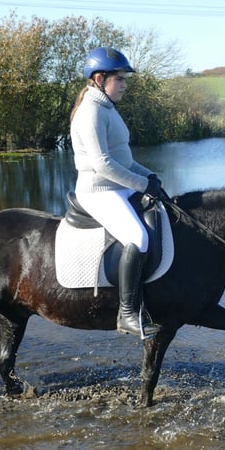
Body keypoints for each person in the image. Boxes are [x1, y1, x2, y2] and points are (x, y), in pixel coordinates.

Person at [69, 46, 164, 339]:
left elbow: (123, 159)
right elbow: (102, 164)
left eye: (124, 79)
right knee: (137, 237)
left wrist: (148, 175)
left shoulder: (107, 108)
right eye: (119, 79)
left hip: (117, 186)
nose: (124, 84)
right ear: (100, 79)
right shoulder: (91, 111)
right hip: (98, 191)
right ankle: (127, 315)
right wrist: (141, 184)